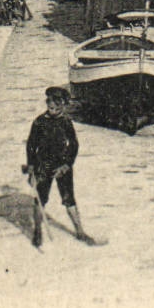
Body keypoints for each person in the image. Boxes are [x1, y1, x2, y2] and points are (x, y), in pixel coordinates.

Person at [24, 86, 91, 247]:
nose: (52, 109)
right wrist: (31, 168)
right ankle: (37, 231)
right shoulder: (39, 122)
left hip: (62, 166)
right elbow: (31, 146)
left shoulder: (66, 122)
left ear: (62, 106)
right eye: (50, 106)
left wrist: (67, 164)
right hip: (43, 165)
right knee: (40, 198)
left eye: (55, 107)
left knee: (69, 198)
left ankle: (80, 232)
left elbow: (73, 145)